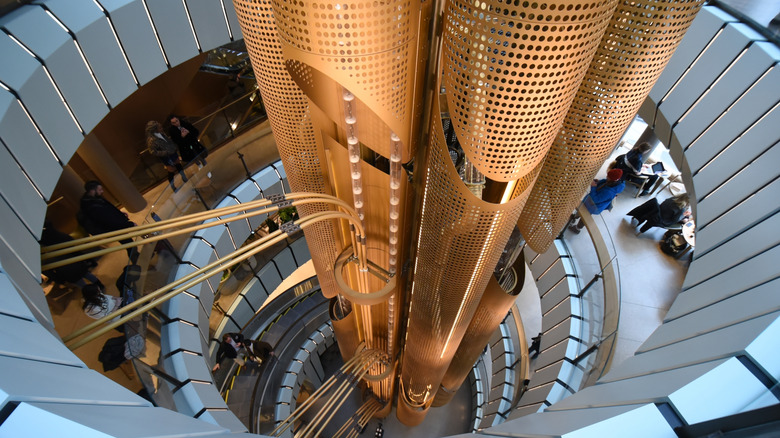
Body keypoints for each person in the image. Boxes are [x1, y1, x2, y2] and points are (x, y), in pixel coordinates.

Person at [79, 181, 137, 260]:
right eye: (100, 190)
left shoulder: (92, 199)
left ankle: (137, 258)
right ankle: (136, 261)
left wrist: (119, 213)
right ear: (92, 191)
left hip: (113, 226)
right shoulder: (92, 206)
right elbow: (109, 221)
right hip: (112, 229)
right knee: (130, 244)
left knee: (129, 244)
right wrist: (129, 224)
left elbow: (108, 210)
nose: (102, 191)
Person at [40, 221, 101, 288]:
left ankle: (92, 292)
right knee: (86, 274)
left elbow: (50, 273)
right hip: (75, 264)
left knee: (82, 283)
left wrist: (61, 281)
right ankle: (99, 285)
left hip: (68, 273)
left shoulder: (44, 259)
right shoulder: (55, 244)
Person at [569, 169, 625, 234]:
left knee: (584, 217)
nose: (606, 177)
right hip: (589, 202)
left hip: (593, 206)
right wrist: (599, 182)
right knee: (581, 209)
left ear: (613, 179)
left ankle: (577, 228)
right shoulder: (613, 182)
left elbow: (595, 199)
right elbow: (605, 181)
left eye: (608, 177)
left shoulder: (609, 192)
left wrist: (593, 187)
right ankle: (574, 217)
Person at [145, 120, 188, 192]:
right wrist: (165, 152)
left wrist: (173, 147)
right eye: (160, 128)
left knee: (178, 164)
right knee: (171, 170)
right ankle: (172, 186)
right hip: (166, 157)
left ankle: (184, 177)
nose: (162, 129)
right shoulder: (151, 140)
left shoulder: (162, 133)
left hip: (172, 152)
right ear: (154, 129)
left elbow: (168, 141)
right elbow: (153, 152)